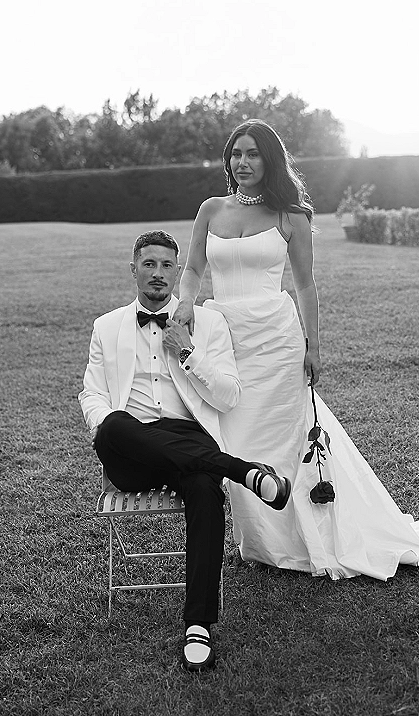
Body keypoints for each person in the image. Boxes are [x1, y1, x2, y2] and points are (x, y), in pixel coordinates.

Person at [173, 119, 419, 579]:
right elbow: (193, 268)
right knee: (234, 433)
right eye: (237, 153)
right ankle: (261, 538)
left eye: (253, 154)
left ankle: (304, 537)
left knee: (285, 433)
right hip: (223, 335)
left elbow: (305, 284)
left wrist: (314, 344)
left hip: (275, 338)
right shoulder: (211, 209)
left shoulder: (290, 215)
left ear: (269, 160)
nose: (243, 162)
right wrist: (188, 304)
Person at [78, 229, 291, 672]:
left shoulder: (208, 322)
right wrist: (105, 425)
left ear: (179, 272)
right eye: (149, 263)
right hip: (130, 445)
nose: (158, 273)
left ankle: (199, 626)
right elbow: (91, 395)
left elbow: (229, 396)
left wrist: (188, 352)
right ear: (133, 269)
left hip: (188, 437)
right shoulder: (107, 325)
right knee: (113, 424)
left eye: (167, 265)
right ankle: (244, 472)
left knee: (203, 488)